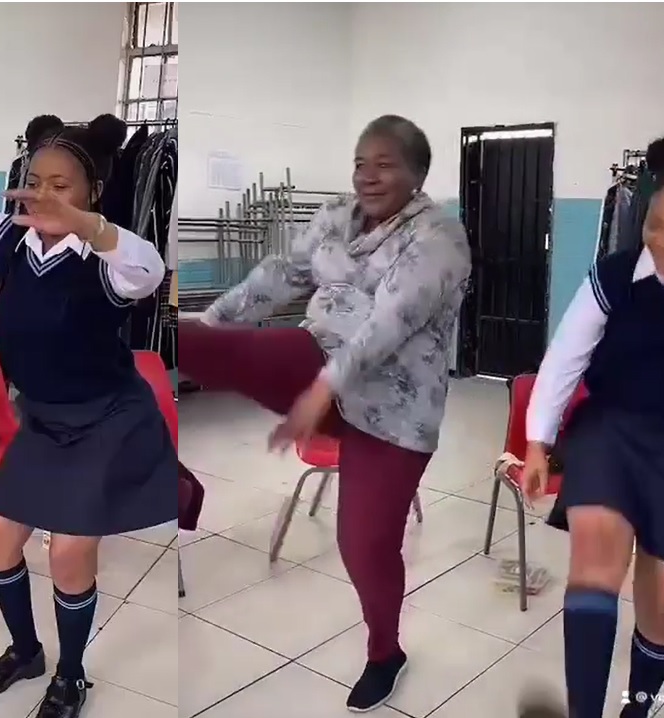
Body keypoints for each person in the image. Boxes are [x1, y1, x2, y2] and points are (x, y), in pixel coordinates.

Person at [179, 114, 471, 712]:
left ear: (418, 174)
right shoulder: (338, 215)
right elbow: (280, 275)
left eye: (384, 165)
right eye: (361, 163)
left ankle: (385, 654)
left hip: (395, 412)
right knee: (200, 343)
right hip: (316, 357)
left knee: (363, 545)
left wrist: (322, 389)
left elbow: (390, 322)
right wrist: (213, 324)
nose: (367, 176)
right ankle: (170, 468)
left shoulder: (439, 238)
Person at [0, 109, 176, 718]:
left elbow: (149, 272)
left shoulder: (108, 257)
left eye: (61, 185)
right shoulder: (7, 240)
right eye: (36, 181)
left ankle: (71, 675)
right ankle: (25, 652)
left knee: (68, 552)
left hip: (107, 418)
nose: (45, 195)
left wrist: (90, 227)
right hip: (44, 419)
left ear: (92, 192)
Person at [516, 146, 664, 718]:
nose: (662, 241)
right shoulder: (616, 274)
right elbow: (565, 357)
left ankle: (636, 709)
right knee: (595, 562)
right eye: (653, 225)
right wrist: (537, 442)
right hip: (611, 428)